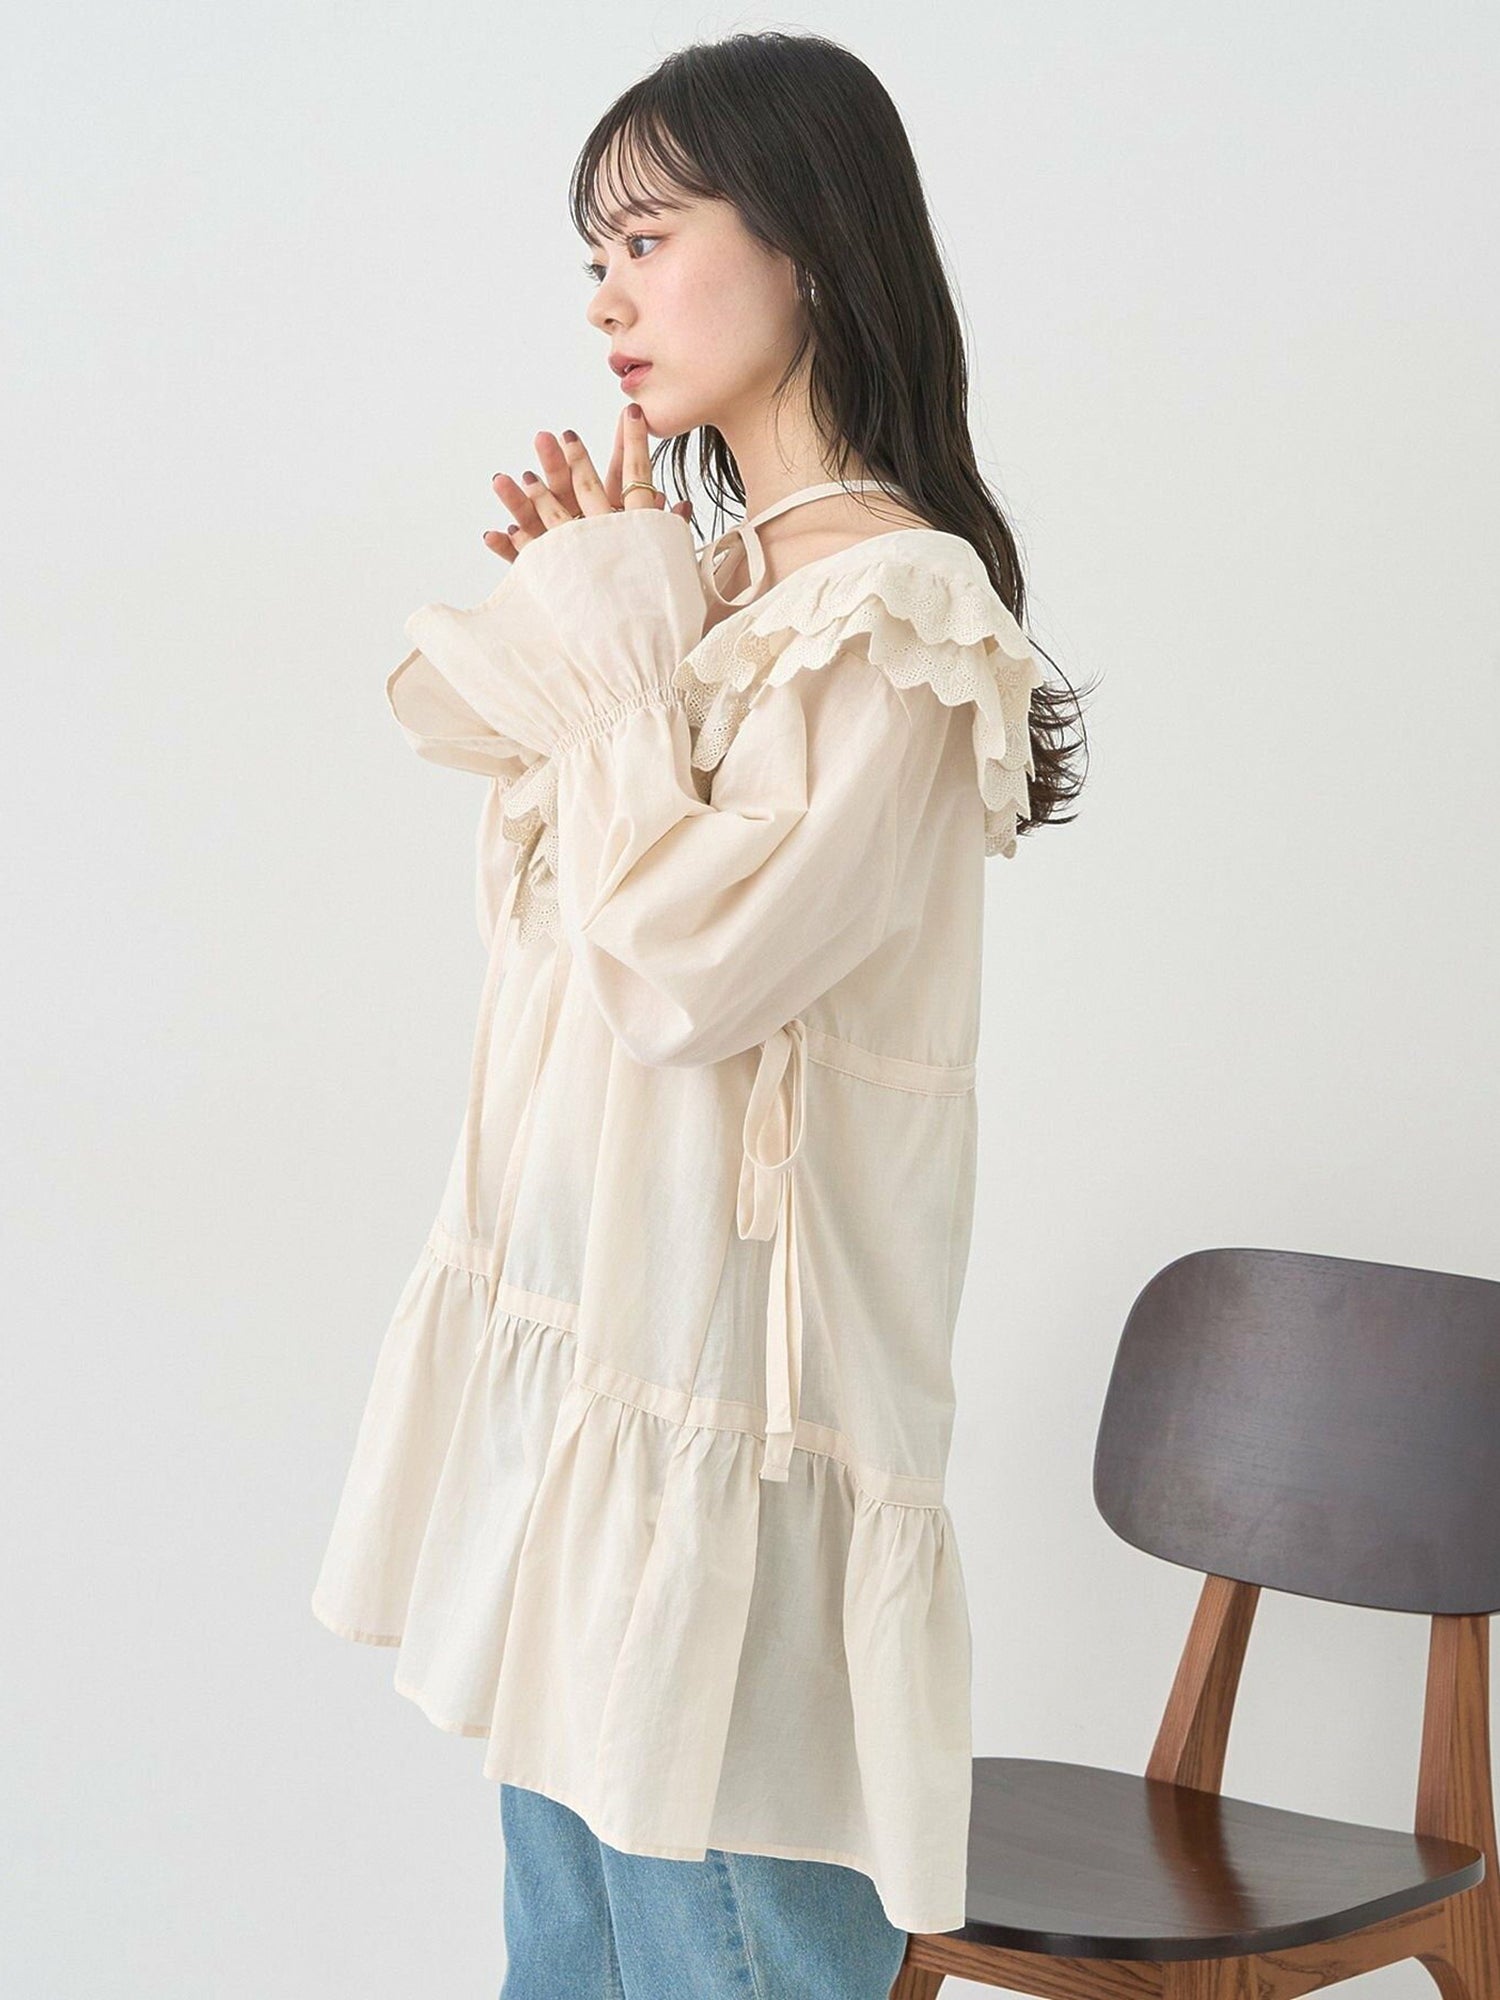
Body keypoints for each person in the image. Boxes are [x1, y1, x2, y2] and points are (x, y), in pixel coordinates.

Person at [311, 28, 1091, 2000]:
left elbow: (686, 973)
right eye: (597, 256)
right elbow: (558, 916)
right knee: (570, 1959)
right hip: (598, 1388)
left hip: (736, 1439)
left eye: (649, 240)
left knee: (724, 1951)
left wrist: (617, 652)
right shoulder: (717, 588)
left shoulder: (898, 616)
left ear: (809, 243)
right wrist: (623, 611)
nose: (607, 299)